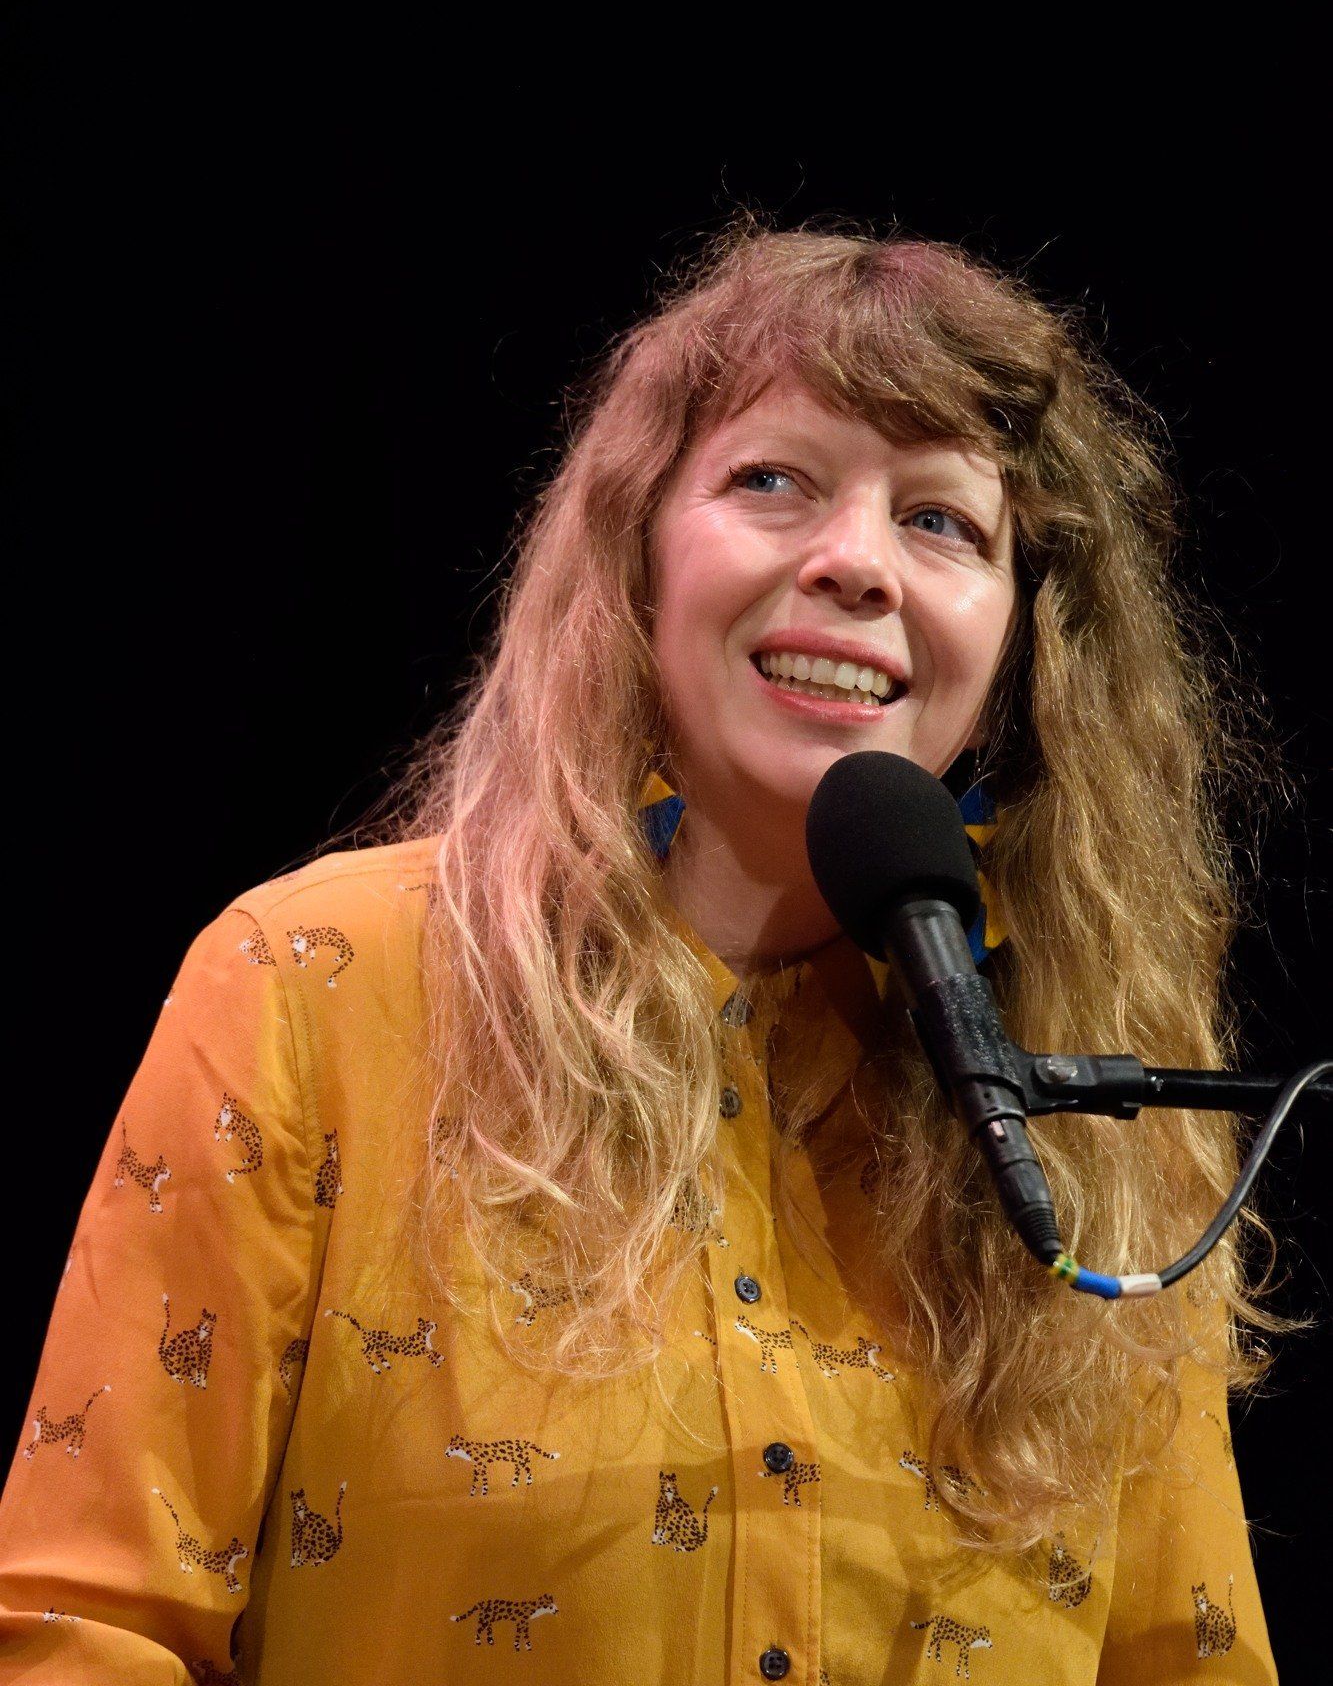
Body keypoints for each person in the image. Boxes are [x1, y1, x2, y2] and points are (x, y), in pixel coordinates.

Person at [0, 219, 1285, 1683]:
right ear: (638, 565)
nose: (856, 563)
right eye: (772, 481)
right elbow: (82, 1633)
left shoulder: (1094, 1137)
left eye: (941, 520)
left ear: (1019, 653)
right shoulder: (315, 989)